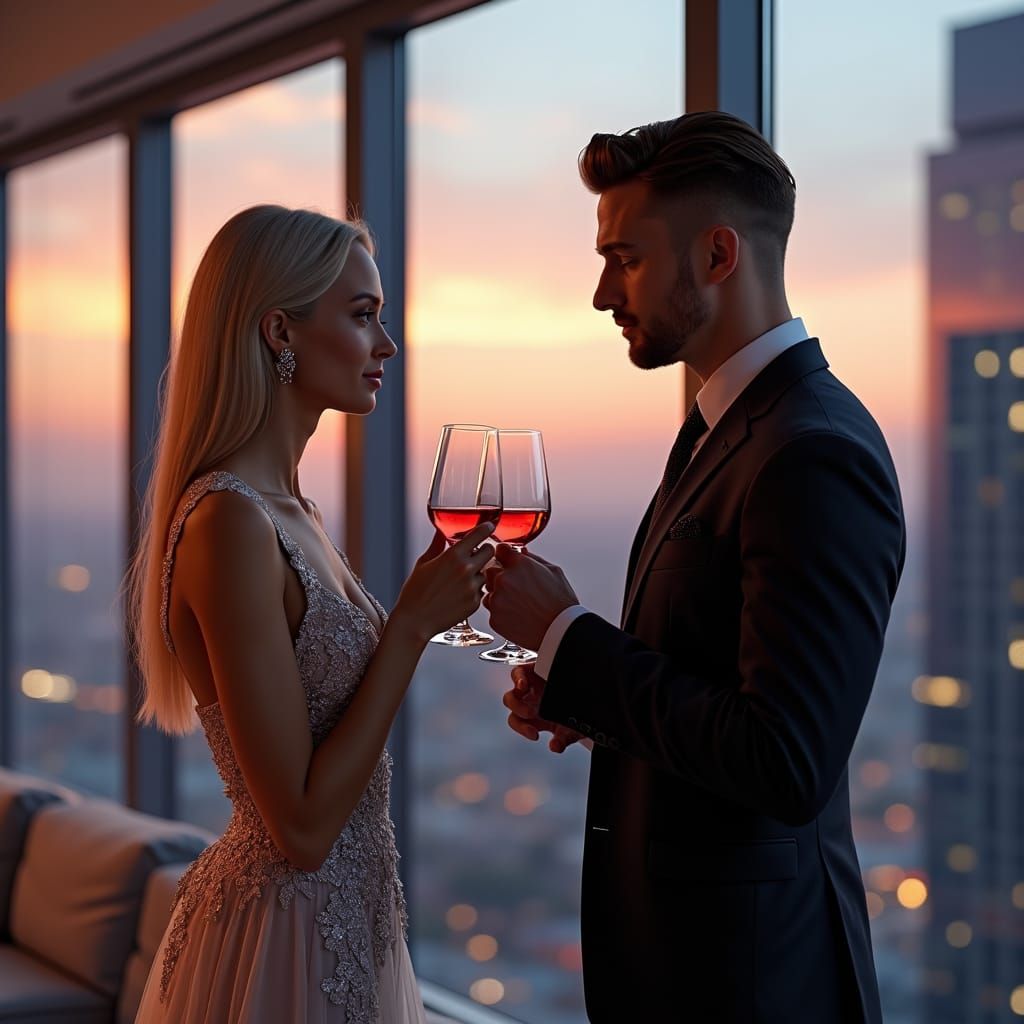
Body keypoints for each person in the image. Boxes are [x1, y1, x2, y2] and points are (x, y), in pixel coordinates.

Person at [484, 112, 905, 1023]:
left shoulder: (812, 451)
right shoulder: (726, 429)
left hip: (753, 987)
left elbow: (783, 761)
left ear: (718, 254)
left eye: (625, 259)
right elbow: (718, 684)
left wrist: (568, 637)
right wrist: (580, 692)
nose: (602, 294)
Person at [129, 205, 493, 1023]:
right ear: (279, 332)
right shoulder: (229, 522)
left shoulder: (294, 513)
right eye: (363, 317)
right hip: (281, 944)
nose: (387, 346)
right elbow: (298, 830)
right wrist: (409, 629)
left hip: (347, 923)